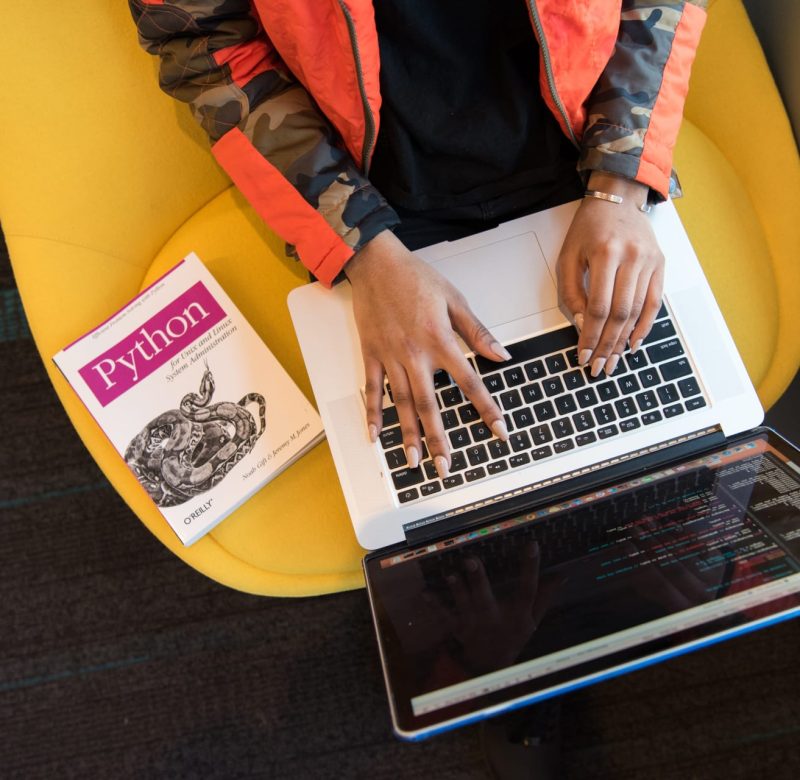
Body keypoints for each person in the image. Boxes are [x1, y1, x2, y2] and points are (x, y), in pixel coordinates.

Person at [130, 1, 707, 774]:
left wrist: (621, 183)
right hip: (376, 196)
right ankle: (518, 680)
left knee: (682, 455)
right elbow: (204, 43)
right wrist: (363, 249)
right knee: (449, 497)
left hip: (584, 149)